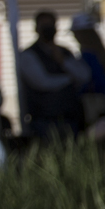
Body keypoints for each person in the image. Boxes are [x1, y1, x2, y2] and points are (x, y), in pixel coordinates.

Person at [17, 11, 88, 140]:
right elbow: (43, 82)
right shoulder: (29, 54)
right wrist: (69, 79)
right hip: (44, 120)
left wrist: (63, 61)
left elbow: (84, 75)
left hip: (70, 117)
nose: (48, 29)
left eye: (51, 25)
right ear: (36, 28)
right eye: (44, 25)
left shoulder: (65, 52)